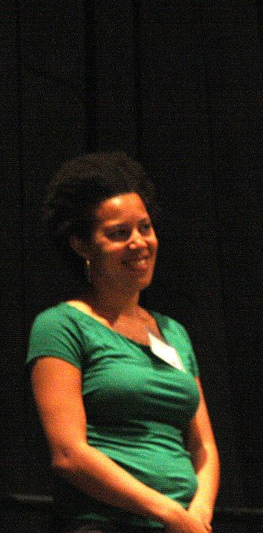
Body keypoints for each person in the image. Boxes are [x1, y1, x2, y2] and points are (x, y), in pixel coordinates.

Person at [27, 151, 220, 533]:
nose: (139, 243)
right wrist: (166, 510)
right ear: (81, 245)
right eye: (119, 233)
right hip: (103, 523)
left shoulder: (173, 332)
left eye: (145, 228)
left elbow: (205, 448)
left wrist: (197, 513)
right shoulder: (60, 325)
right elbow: (69, 454)